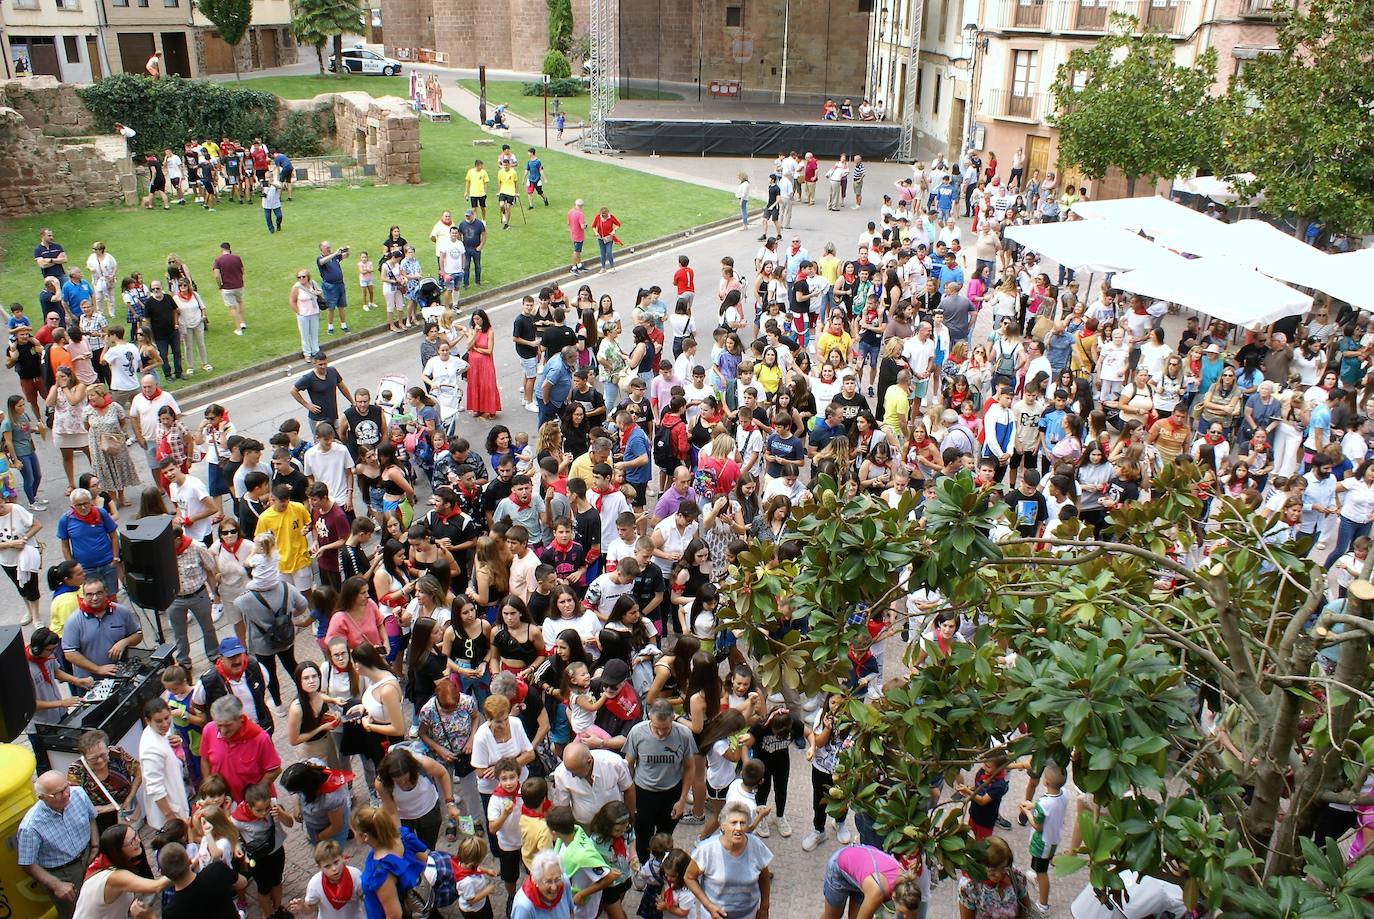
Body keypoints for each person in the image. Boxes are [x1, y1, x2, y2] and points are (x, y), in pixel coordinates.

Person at [19, 771, 99, 919]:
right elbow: (27, 863)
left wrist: (95, 846)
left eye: (66, 788)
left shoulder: (78, 794)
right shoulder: (30, 827)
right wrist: (56, 885)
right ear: (41, 798)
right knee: (77, 914)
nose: (66, 795)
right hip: (63, 873)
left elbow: (91, 817)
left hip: (89, 855)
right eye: (58, 793)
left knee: (102, 901)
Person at [624, 699, 695, 863]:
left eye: (665, 728)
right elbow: (629, 765)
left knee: (665, 838)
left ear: (673, 719)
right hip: (643, 792)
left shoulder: (684, 734)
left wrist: (682, 800)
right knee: (643, 837)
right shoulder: (637, 732)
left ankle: (661, 867)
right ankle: (643, 867)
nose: (661, 733)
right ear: (649, 718)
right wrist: (630, 797)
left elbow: (690, 767)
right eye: (657, 728)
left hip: (671, 793)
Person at [682, 801, 773, 919]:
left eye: (742, 823)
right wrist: (708, 905)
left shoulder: (756, 846)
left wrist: (764, 907)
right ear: (723, 826)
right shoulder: (707, 850)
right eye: (733, 823)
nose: (738, 828)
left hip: (748, 915)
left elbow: (764, 876)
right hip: (714, 916)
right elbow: (689, 877)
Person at [70, 824, 171, 919]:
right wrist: (184, 868)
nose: (139, 840)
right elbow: (157, 886)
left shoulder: (107, 863)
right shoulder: (115, 876)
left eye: (136, 835)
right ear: (117, 850)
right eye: (132, 841)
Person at [199, 693, 282, 801]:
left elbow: (274, 770)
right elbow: (205, 760)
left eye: (228, 725)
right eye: (219, 725)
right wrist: (210, 789)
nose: (223, 731)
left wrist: (255, 794)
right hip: (224, 801)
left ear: (240, 719)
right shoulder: (208, 730)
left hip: (254, 805)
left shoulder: (260, 738)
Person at [354, 805, 427, 919]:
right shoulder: (403, 837)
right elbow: (423, 859)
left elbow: (394, 915)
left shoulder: (380, 871)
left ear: (365, 837)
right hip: (418, 900)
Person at [61, 579, 143, 678]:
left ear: (106, 592)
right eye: (89, 594)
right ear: (84, 595)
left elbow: (138, 635)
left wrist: (124, 642)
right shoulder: (74, 620)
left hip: (120, 673)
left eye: (99, 593)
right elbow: (70, 653)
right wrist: (98, 669)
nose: (94, 598)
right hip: (89, 680)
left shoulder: (121, 611)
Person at [66, 729, 141, 834]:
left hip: (126, 810)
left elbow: (138, 771)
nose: (100, 761)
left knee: (133, 838)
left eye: (103, 755)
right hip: (101, 819)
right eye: (93, 759)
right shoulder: (76, 771)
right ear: (84, 757)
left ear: (107, 749)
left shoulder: (117, 754)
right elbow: (74, 803)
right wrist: (106, 808)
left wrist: (130, 797)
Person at [139, 696, 190, 831]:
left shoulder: (161, 731)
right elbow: (155, 789)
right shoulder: (150, 748)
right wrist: (171, 818)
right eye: (159, 721)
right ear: (148, 721)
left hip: (178, 798)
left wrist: (177, 746)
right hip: (170, 815)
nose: (165, 724)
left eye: (167, 718)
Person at [159, 841, 248, 919]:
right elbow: (243, 882)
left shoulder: (171, 911)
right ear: (190, 861)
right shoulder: (216, 870)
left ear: (163, 873)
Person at [957, 836, 1034, 919]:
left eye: (1003, 868)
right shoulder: (969, 886)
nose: (998, 874)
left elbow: (1025, 906)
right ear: (980, 865)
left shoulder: (1015, 876)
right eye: (993, 870)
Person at [212, 242, 247, 337]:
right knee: (239, 302)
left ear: (221, 249)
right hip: (239, 285)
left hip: (227, 287)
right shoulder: (237, 258)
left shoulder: (218, 260)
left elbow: (216, 275)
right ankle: (243, 322)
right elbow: (242, 270)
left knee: (232, 307)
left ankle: (238, 329)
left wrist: (220, 285)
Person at [317, 242, 350, 334]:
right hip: (330, 286)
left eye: (329, 247)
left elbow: (345, 256)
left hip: (340, 284)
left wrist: (347, 250)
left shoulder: (334, 257)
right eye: (327, 247)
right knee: (331, 307)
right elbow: (322, 262)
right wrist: (335, 253)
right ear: (321, 249)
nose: (329, 248)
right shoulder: (320, 258)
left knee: (341, 306)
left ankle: (343, 325)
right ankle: (330, 327)